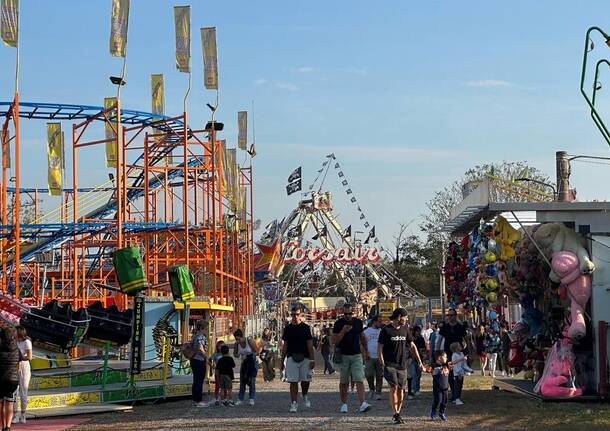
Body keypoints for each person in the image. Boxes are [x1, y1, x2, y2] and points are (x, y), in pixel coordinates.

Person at [378, 307, 425, 425]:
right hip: (390, 364)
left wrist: (419, 361)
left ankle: (398, 412)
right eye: (405, 317)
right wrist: (382, 362)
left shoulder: (405, 329)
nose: (406, 319)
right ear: (399, 317)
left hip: (402, 364)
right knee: (393, 387)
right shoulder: (386, 330)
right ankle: (395, 413)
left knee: (401, 389)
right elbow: (380, 347)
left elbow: (412, 345)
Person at [332, 303, 372, 414]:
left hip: (357, 355)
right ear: (342, 312)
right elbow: (334, 340)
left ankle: (363, 403)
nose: (348, 316)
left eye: (350, 313)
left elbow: (362, 337)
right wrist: (343, 331)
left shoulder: (358, 322)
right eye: (345, 314)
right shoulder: (338, 324)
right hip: (343, 355)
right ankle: (344, 404)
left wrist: (366, 350)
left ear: (352, 312)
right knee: (344, 381)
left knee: (359, 379)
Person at [281, 304, 316, 413]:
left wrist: (312, 359)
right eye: (293, 314)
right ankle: (294, 403)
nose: (295, 316)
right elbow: (285, 346)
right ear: (290, 315)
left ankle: (304, 394)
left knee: (305, 380)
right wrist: (282, 361)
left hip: (305, 357)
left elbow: (310, 345)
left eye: (297, 314)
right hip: (291, 357)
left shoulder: (305, 328)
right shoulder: (287, 328)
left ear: (300, 315)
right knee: (293, 382)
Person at [436, 309, 466, 402]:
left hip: (459, 353)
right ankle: (454, 394)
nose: (450, 317)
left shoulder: (460, 327)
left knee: (459, 374)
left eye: (452, 315)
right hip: (448, 353)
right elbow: (439, 340)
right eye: (448, 315)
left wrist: (465, 349)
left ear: (455, 316)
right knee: (450, 374)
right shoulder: (445, 327)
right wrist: (437, 353)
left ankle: (457, 395)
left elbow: (466, 340)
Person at [233, 328, 260, 406]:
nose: (238, 341)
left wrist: (249, 355)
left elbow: (256, 350)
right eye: (236, 339)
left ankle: (251, 398)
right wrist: (239, 354)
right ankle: (240, 398)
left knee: (252, 381)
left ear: (242, 337)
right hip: (244, 362)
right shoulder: (237, 344)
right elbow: (235, 354)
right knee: (242, 381)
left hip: (252, 361)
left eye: (239, 339)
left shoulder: (249, 341)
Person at [0, 327, 19, 431]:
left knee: (1, 403)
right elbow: (19, 361)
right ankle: (8, 427)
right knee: (9, 402)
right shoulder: (16, 348)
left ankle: (1, 426)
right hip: (13, 379)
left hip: (1, 378)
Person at [12, 326, 31, 424]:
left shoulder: (27, 342)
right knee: (14, 392)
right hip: (14, 366)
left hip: (24, 367)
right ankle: (15, 415)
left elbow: (29, 357)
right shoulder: (13, 341)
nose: (13, 332)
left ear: (19, 332)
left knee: (23, 391)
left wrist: (20, 357)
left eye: (14, 331)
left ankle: (23, 415)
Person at [363, 316, 383, 400]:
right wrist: (364, 353)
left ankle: (378, 392)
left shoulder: (382, 332)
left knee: (379, 375)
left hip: (379, 356)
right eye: (379, 321)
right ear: (374, 322)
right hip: (369, 356)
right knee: (368, 374)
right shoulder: (366, 331)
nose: (380, 323)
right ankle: (372, 388)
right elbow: (362, 343)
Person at [190, 319, 209, 407]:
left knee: (195, 380)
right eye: (206, 328)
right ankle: (199, 400)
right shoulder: (201, 336)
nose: (207, 329)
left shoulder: (194, 336)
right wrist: (207, 357)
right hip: (200, 360)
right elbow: (201, 348)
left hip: (193, 359)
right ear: (202, 327)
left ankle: (195, 399)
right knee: (199, 380)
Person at [450, 341, 473, 405]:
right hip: (457, 373)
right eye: (459, 346)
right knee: (457, 386)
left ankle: (457, 398)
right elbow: (454, 364)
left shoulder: (462, 354)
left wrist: (469, 370)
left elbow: (464, 365)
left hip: (462, 373)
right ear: (456, 348)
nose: (460, 347)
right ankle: (456, 399)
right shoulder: (454, 355)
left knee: (460, 386)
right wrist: (459, 372)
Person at [430, 350, 449, 422]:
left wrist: (462, 359)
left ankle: (442, 413)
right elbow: (427, 370)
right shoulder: (433, 366)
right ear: (439, 358)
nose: (446, 358)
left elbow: (453, 363)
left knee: (445, 401)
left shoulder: (446, 365)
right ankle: (433, 411)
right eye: (445, 357)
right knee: (438, 400)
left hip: (445, 387)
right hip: (437, 387)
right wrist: (423, 368)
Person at [408, 325, 426, 398]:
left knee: (418, 375)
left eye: (419, 331)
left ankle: (417, 389)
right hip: (411, 359)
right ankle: (412, 389)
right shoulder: (410, 339)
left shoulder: (421, 339)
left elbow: (423, 349)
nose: (418, 333)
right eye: (417, 331)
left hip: (419, 359)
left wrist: (423, 354)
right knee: (412, 374)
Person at [210, 340, 225, 405]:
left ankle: (224, 399)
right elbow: (209, 360)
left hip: (225, 372)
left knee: (224, 386)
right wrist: (212, 365)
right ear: (217, 347)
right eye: (220, 346)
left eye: (222, 346)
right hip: (218, 372)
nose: (221, 347)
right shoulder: (215, 354)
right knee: (217, 386)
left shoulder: (225, 354)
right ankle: (216, 399)